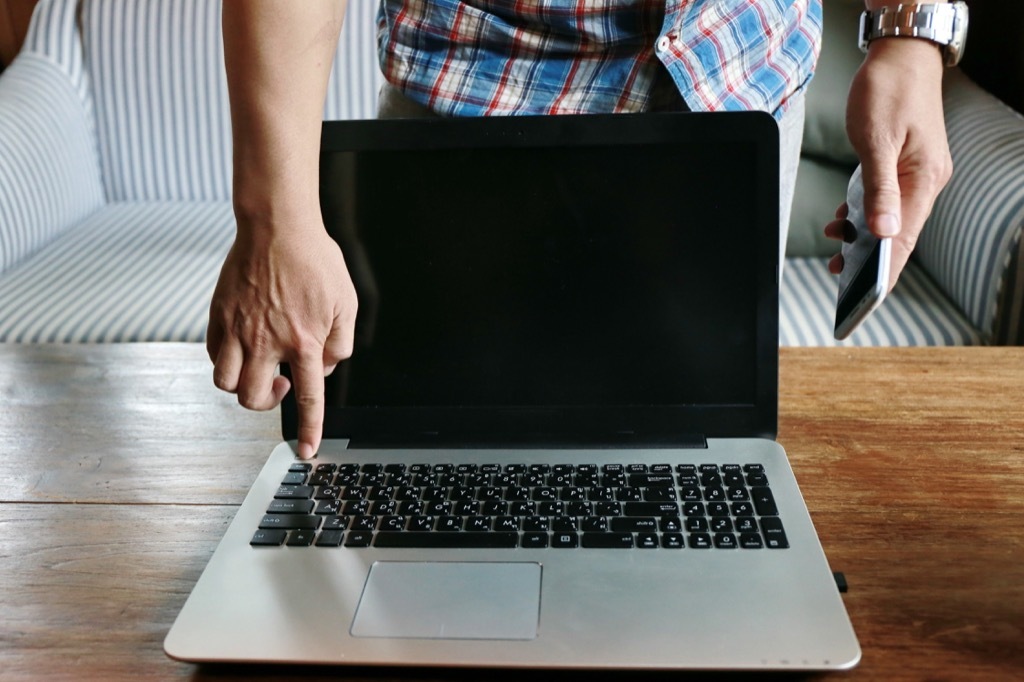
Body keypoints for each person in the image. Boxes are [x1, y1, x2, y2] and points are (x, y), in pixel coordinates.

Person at [208, 0, 954, 459]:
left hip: (735, 83)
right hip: (474, 107)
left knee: (701, 456)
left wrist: (910, 37)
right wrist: (275, 218)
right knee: (426, 464)